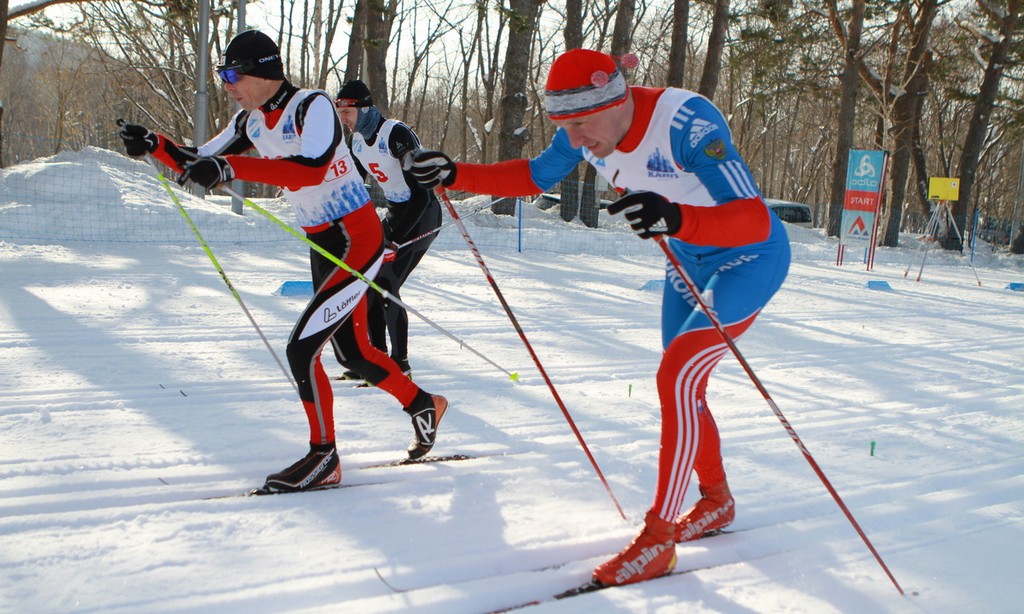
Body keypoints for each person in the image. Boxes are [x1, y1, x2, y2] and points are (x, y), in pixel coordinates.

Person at [406, 48, 790, 586]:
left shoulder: (687, 120)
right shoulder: (580, 130)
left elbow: (751, 218)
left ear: (619, 99)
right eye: (565, 126)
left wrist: (675, 215)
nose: (576, 140)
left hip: (748, 256)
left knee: (677, 374)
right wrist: (455, 172)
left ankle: (658, 540)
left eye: (582, 124)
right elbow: (536, 175)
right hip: (685, 259)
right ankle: (717, 500)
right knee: (686, 386)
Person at [117, 30, 448, 492]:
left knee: (302, 349)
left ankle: (324, 457)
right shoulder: (249, 122)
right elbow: (199, 161)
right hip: (323, 246)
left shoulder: (312, 107)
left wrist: (233, 168)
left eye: (233, 74)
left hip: (358, 241)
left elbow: (310, 166)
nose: (227, 83)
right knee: (355, 352)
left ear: (263, 71)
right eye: (222, 75)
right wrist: (155, 145)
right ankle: (424, 404)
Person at [333, 79, 442, 383]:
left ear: (364, 108)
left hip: (423, 215)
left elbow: (421, 194)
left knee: (387, 284)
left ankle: (400, 364)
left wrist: (393, 240)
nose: (343, 117)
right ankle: (374, 358)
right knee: (366, 281)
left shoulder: (395, 134)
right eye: (339, 110)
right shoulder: (356, 141)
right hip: (396, 214)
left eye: (347, 110)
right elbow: (352, 184)